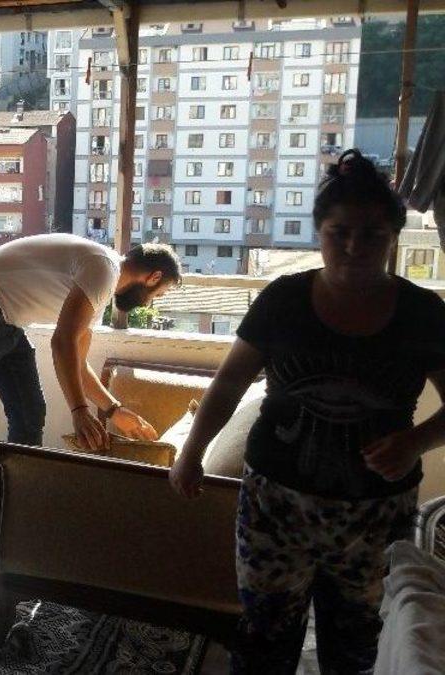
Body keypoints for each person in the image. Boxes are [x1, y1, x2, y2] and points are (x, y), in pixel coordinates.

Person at [169, 150, 445, 674]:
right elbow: (229, 382)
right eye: (340, 232)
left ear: (394, 237)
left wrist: (417, 441)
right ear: (319, 232)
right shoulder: (284, 300)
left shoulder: (423, 314)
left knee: (357, 645)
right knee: (263, 637)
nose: (355, 246)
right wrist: (192, 452)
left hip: (375, 513)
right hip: (275, 505)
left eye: (373, 234)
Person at [0, 233, 181, 572]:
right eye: (158, 295)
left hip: (4, 319)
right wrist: (79, 411)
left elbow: (77, 361)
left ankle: (18, 520)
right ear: (153, 277)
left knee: (29, 416)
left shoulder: (100, 283)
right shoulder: (103, 269)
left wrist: (114, 410)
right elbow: (62, 343)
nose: (150, 304)